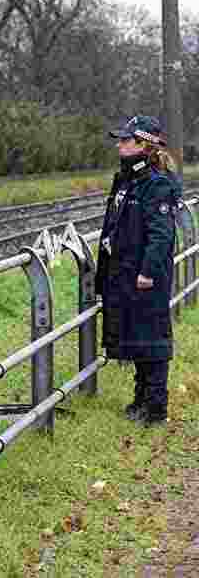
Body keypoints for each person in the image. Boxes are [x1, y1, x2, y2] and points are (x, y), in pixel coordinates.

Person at [96, 115, 182, 427]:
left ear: (143, 145)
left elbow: (161, 235)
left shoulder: (156, 185)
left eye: (125, 139)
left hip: (144, 277)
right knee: (135, 336)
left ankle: (155, 408)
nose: (119, 144)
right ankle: (140, 400)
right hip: (123, 274)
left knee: (152, 340)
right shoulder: (126, 180)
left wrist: (147, 272)